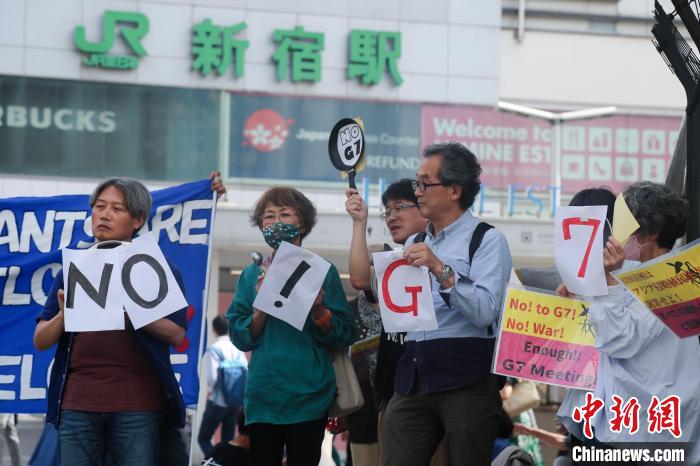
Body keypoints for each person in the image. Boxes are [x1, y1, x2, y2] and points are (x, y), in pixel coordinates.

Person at [34, 178, 189, 465]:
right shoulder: (73, 268)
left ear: (138, 220)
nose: (104, 215)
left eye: (117, 208)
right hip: (77, 405)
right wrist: (64, 316)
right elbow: (40, 339)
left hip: (137, 406)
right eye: (99, 207)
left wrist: (130, 311)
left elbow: (176, 333)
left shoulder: (159, 268)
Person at [381, 142, 513, 466]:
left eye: (426, 183)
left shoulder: (487, 239)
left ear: (455, 190)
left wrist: (440, 269)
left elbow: (484, 311)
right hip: (412, 371)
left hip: (465, 375)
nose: (418, 192)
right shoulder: (415, 241)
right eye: (417, 182)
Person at [558, 182, 700, 458]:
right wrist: (581, 295)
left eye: (623, 226)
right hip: (620, 424)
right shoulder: (632, 273)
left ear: (649, 234)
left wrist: (608, 283)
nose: (616, 235)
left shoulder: (669, 282)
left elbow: (621, 339)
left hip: (649, 428)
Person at [228, 186, 356, 466]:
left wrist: (320, 310)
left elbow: (345, 333)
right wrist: (261, 305)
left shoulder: (322, 270)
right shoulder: (251, 275)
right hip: (264, 396)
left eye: (285, 214)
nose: (275, 221)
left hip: (310, 395)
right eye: (268, 216)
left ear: (303, 223)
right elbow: (240, 337)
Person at [346, 179, 452, 466]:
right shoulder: (392, 261)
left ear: (426, 206)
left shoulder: (448, 256)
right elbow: (358, 279)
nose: (391, 217)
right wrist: (359, 222)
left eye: (399, 208)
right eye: (387, 211)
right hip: (394, 387)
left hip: (440, 388)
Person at [198, 315, 248, 456]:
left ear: (214, 329)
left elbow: (212, 378)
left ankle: (216, 461)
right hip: (235, 403)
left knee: (203, 438)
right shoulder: (238, 349)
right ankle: (226, 460)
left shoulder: (213, 350)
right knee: (228, 440)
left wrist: (209, 392)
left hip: (218, 401)